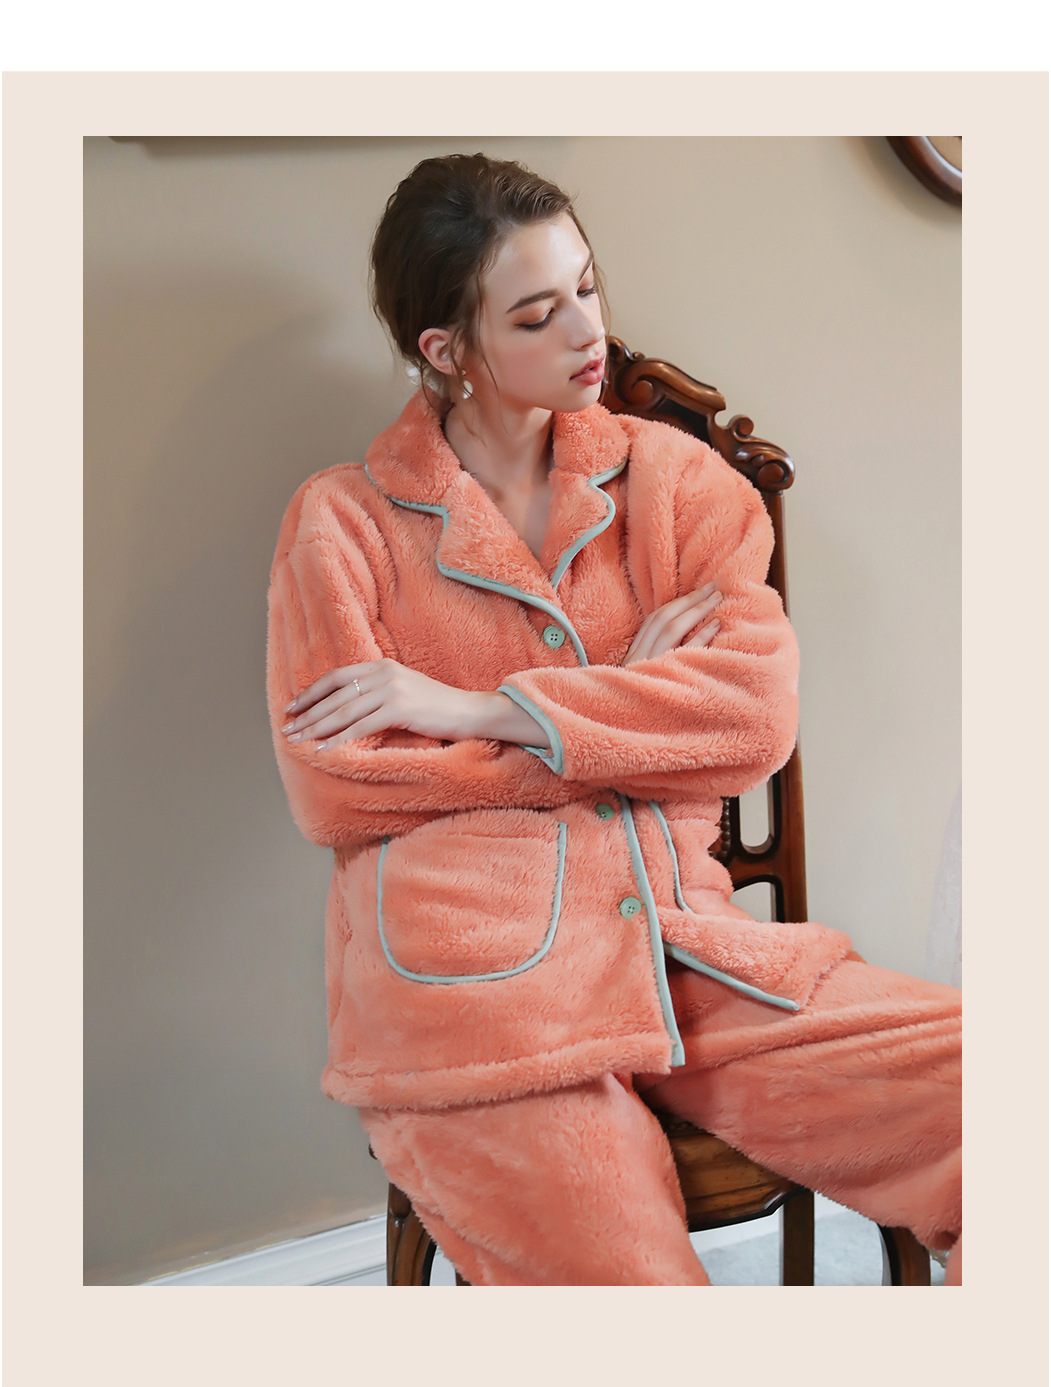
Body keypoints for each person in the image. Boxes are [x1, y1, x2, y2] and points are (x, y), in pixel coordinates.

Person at [266, 153, 961, 1286]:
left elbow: (750, 718)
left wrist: (477, 708)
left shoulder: (676, 485)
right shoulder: (340, 524)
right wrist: (626, 721)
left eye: (586, 286)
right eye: (536, 314)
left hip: (687, 954)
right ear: (446, 350)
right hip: (476, 1006)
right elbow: (342, 786)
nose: (589, 331)